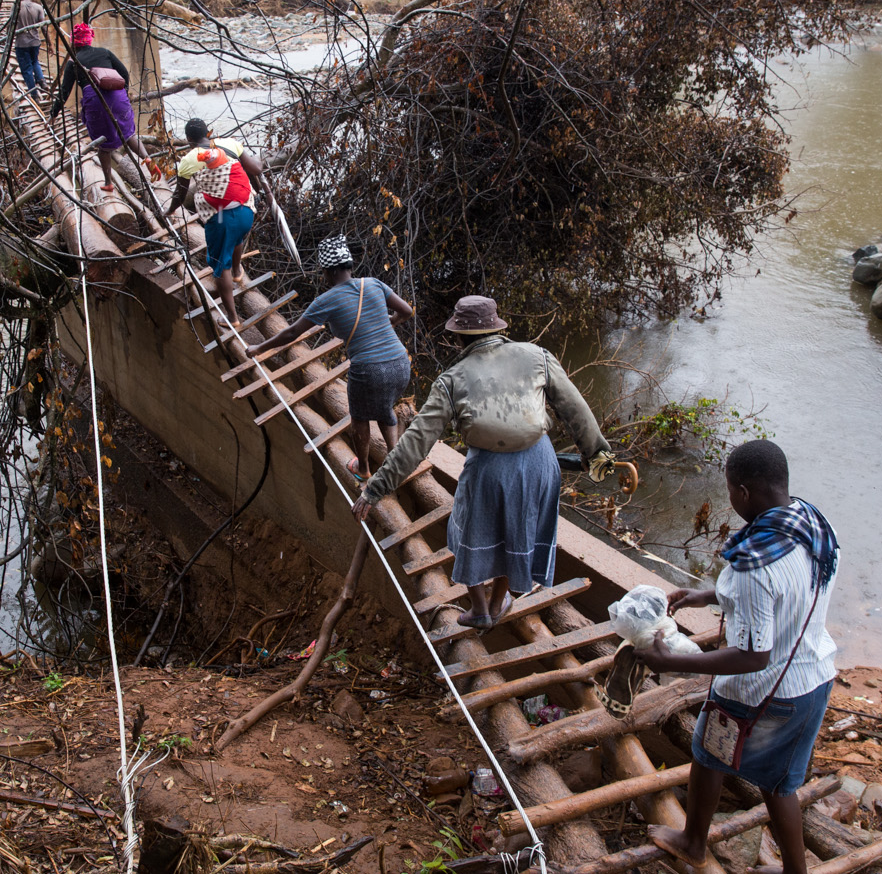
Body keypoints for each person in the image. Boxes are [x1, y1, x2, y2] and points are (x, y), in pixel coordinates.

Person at [351, 296, 624, 629]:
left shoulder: (451, 380)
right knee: (519, 530)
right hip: (538, 463)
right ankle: (498, 603)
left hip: (489, 469)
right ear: (497, 326)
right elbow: (575, 409)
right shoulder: (537, 356)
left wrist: (374, 489)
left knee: (466, 529)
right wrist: (597, 454)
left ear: (458, 337)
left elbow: (414, 443)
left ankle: (481, 609)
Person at [634, 439, 839, 874]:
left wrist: (670, 662)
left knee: (708, 752)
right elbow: (786, 594)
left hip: (765, 693)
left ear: (743, 492)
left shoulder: (753, 566)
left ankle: (692, 841)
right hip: (814, 680)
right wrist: (706, 594)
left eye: (730, 490)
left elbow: (751, 657)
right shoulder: (810, 522)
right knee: (780, 786)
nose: (730, 499)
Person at [245, 234, 415, 482]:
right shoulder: (374, 284)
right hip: (400, 363)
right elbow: (406, 311)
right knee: (384, 405)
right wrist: (388, 323)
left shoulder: (325, 301)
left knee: (359, 416)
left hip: (369, 370)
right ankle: (395, 460)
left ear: (330, 271)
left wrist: (259, 348)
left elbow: (292, 332)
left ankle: (364, 469)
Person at [166, 118, 266, 327]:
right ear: (208, 133)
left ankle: (232, 317)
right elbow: (256, 168)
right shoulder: (230, 143)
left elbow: (180, 193)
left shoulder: (188, 160)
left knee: (220, 267)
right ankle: (238, 272)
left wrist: (170, 210)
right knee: (236, 238)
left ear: (188, 139)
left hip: (222, 218)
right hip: (247, 211)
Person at [47, 22, 152, 192]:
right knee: (129, 133)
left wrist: (53, 114)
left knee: (103, 145)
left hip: (95, 102)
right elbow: (124, 74)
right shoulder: (105, 53)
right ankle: (147, 158)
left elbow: (65, 91)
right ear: (90, 39)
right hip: (117, 96)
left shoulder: (74, 62)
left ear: (74, 43)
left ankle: (108, 183)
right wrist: (122, 94)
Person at [13, 0, 48, 96]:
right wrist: (49, 43)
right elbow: (44, 26)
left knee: (26, 69)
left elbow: (11, 23)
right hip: (35, 42)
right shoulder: (38, 7)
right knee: (35, 62)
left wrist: (7, 38)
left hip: (21, 43)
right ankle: (41, 80)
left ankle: (33, 93)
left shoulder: (16, 7)